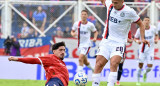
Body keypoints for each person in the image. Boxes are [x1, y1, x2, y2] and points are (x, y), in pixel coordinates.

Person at [92, 0, 150, 86]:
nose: (114, 5)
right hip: (106, 40)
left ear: (122, 1)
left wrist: (142, 38)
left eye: (116, 3)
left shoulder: (129, 11)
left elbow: (141, 24)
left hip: (119, 43)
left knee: (114, 63)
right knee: (99, 64)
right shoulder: (110, 4)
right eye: (113, 2)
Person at [134, 16, 158, 85]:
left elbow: (156, 35)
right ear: (143, 21)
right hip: (142, 51)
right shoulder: (139, 30)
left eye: (148, 20)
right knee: (140, 65)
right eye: (145, 20)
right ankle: (138, 81)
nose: (146, 22)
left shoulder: (153, 28)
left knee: (150, 66)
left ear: (149, 21)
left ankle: (145, 72)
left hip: (150, 51)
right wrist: (137, 41)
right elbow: (135, 38)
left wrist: (156, 39)